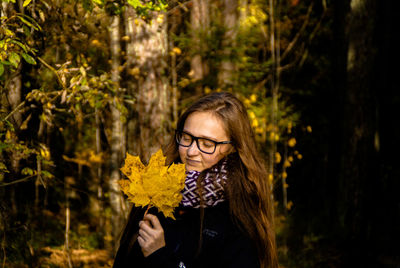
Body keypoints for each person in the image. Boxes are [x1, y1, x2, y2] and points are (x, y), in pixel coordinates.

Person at [113, 92, 278, 268]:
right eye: (187, 138)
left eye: (207, 144)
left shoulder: (239, 217)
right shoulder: (153, 194)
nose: (191, 151)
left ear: (232, 148)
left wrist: (160, 257)